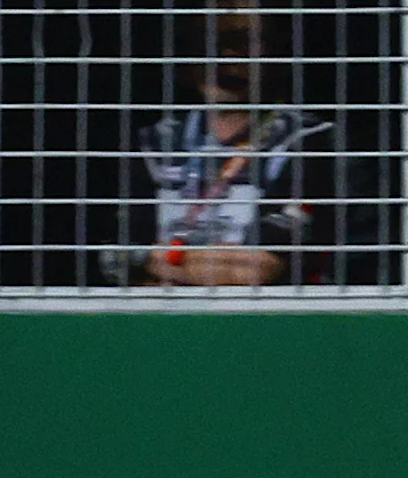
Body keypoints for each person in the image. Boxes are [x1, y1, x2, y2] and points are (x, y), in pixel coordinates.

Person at [134, 11, 331, 288]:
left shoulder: (308, 140)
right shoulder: (154, 141)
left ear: (276, 55)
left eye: (243, 41)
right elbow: (113, 258)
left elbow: (257, 270)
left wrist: (157, 262)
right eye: (209, 41)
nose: (225, 55)